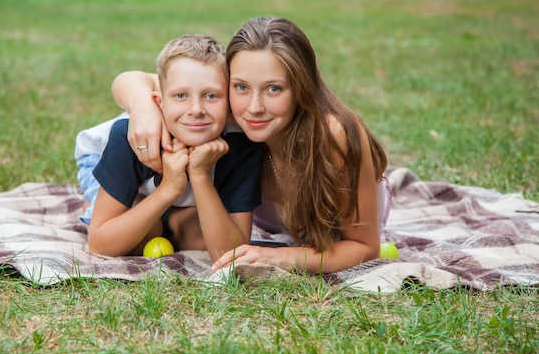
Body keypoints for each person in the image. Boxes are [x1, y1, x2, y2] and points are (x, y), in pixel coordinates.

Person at [112, 17, 391, 274]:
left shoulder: (333, 135)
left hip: (340, 239)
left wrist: (278, 257)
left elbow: (365, 247)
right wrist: (141, 106)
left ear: (301, 88)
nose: (255, 108)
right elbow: (132, 79)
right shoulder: (231, 109)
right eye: (241, 86)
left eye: (274, 89)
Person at [74, 34, 263, 259]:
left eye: (211, 96)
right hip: (99, 156)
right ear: (160, 102)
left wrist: (200, 175)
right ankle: (93, 203)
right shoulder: (128, 136)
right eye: (180, 95)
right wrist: (169, 189)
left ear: (229, 105)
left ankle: (164, 217)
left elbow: (231, 254)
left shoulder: (241, 144)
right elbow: (100, 246)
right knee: (128, 235)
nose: (196, 109)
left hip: (181, 188)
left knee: (194, 236)